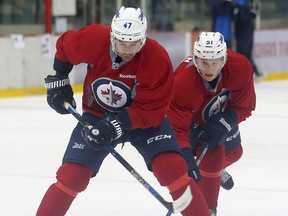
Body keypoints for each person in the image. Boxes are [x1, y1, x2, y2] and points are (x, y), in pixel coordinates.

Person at [36, 6, 210, 216]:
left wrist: (117, 125)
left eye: (134, 43)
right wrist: (60, 78)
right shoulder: (94, 39)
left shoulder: (156, 58)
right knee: (72, 175)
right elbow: (65, 46)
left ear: (143, 39)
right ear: (112, 36)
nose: (127, 49)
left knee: (172, 168)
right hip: (97, 116)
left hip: (143, 121)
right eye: (122, 43)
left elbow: (152, 110)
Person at [167, 32, 256, 215]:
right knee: (206, 158)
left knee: (235, 153)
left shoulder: (240, 67)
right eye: (204, 62)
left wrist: (226, 121)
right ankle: (208, 208)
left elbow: (245, 107)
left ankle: (213, 169)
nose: (209, 69)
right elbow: (176, 126)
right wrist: (185, 155)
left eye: (215, 62)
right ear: (195, 59)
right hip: (190, 123)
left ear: (224, 59)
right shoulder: (183, 82)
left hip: (218, 115)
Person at [234, 0, 263, 78]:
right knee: (243, 54)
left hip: (247, 32)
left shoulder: (248, 4)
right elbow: (242, 19)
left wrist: (254, 11)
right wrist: (251, 13)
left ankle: (252, 71)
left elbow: (254, 13)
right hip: (242, 33)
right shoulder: (239, 5)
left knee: (247, 53)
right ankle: (248, 72)